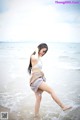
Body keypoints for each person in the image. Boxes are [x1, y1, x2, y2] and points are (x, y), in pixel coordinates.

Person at [28, 43, 72, 117]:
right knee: (51, 90)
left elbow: (37, 68)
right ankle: (63, 106)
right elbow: (35, 58)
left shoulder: (39, 58)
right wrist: (37, 48)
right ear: (39, 49)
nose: (44, 53)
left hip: (38, 78)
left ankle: (36, 117)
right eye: (43, 51)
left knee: (38, 99)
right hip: (36, 80)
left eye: (45, 52)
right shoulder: (33, 57)